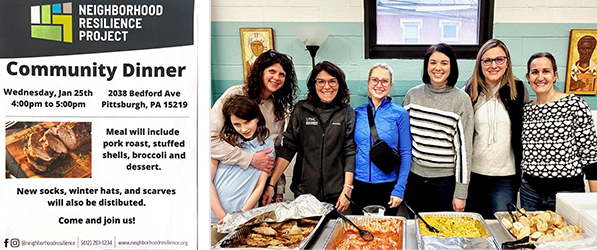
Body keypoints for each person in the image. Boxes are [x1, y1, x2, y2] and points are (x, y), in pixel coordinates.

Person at [262, 61, 356, 213]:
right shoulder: (301, 109)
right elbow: (288, 148)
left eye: (332, 81)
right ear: (313, 84)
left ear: (340, 84)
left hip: (338, 195)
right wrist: (271, 184)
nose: (327, 87)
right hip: (304, 193)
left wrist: (347, 189)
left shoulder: (346, 112)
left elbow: (350, 151)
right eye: (321, 81)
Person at [211, 50, 297, 202]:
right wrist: (249, 158)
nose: (276, 77)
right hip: (228, 185)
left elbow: (274, 152)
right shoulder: (235, 95)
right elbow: (208, 140)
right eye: (272, 71)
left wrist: (276, 188)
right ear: (260, 72)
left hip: (259, 185)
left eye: (282, 74)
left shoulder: (278, 109)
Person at [402, 43, 474, 214]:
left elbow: (464, 152)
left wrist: (461, 193)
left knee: (443, 235)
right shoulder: (412, 96)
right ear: (427, 66)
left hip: (445, 184)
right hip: (414, 180)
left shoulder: (461, 100)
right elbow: (403, 140)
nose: (438, 68)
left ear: (452, 67)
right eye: (433, 62)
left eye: (444, 63)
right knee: (416, 230)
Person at [521, 52, 597, 211]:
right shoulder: (526, 111)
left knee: (568, 236)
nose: (540, 77)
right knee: (531, 235)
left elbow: (590, 154)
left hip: (567, 192)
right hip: (530, 192)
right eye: (535, 72)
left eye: (546, 71)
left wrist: (594, 198)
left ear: (555, 76)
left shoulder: (574, 105)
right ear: (528, 77)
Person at [463, 39, 529, 219]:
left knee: (501, 228)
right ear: (480, 64)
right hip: (474, 175)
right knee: (473, 229)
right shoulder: (469, 91)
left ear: (507, 62)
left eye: (499, 59)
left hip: (505, 176)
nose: (493, 65)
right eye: (487, 60)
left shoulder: (519, 90)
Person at [352, 63, 412, 216]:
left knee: (386, 234)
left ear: (390, 85)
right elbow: (349, 150)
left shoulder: (400, 114)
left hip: (388, 187)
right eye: (375, 80)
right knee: (361, 234)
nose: (379, 85)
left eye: (385, 81)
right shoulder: (356, 113)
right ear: (368, 82)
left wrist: (399, 189)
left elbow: (406, 153)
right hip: (359, 186)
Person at [211, 95, 272, 223]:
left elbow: (260, 185)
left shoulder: (266, 144)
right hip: (213, 215)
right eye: (237, 124)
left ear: (257, 118)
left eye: (247, 122)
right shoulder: (223, 141)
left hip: (243, 216)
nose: (244, 129)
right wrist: (221, 216)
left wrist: (242, 216)